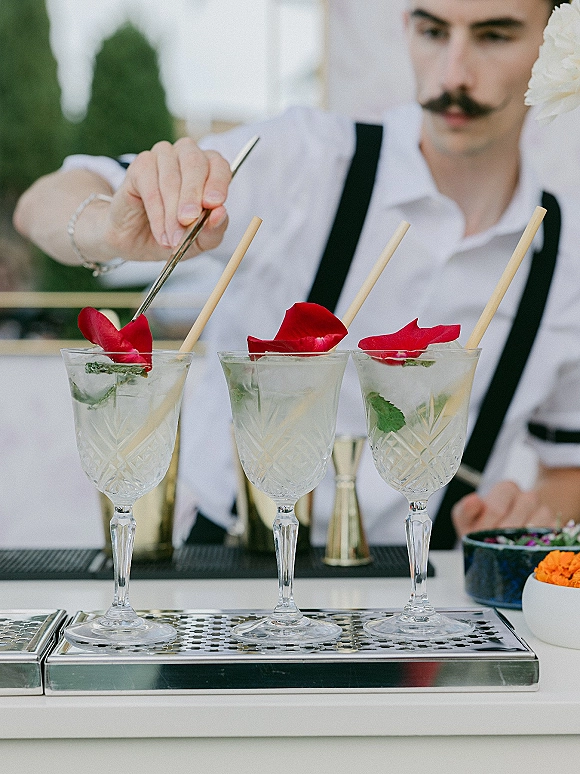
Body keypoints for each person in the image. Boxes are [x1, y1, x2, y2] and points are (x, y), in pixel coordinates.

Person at [14, 0, 580, 548]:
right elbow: (41, 202)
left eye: (494, 35)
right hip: (230, 581)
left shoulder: (567, 256)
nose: (453, 73)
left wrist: (530, 512)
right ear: (406, 27)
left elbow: (568, 469)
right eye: (433, 32)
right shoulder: (305, 160)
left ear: (553, 42)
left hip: (425, 609)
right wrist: (109, 228)